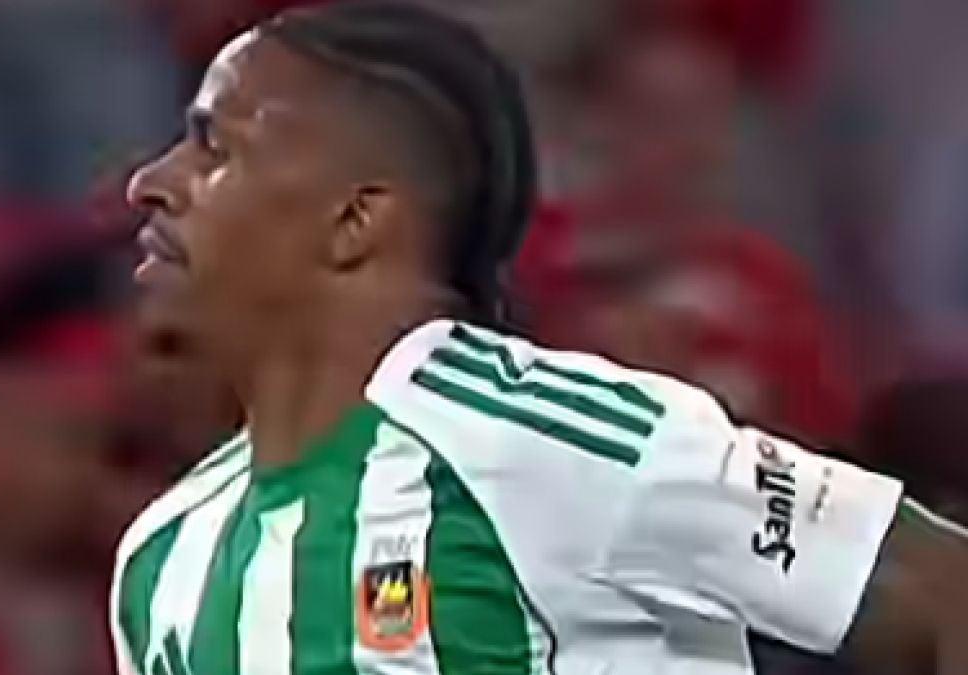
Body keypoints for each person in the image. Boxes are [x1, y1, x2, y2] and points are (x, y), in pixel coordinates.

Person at [114, 2, 967, 673]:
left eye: (213, 148)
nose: (149, 181)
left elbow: (944, 590)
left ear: (354, 220)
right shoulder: (162, 558)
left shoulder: (543, 439)